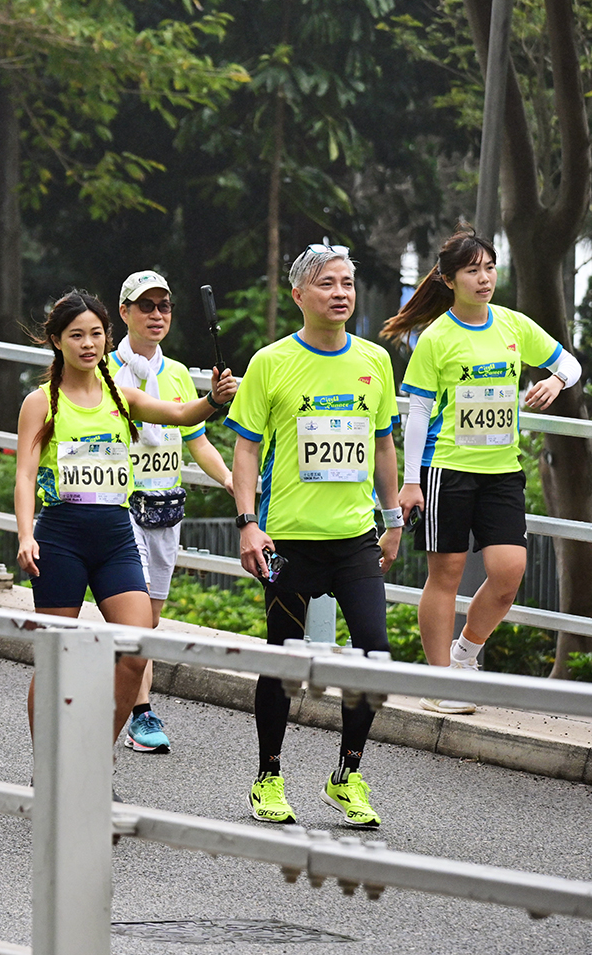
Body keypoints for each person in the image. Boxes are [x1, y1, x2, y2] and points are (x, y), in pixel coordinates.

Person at [13, 290, 235, 770]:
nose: (88, 344)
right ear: (56, 341)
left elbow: (180, 415)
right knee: (56, 658)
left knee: (138, 647)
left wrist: (213, 400)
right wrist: (26, 535)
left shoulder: (121, 395)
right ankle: (48, 768)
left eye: (96, 334)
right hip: (61, 534)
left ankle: (93, 759)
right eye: (76, 335)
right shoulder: (40, 402)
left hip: (115, 534)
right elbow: (26, 475)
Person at [226, 245, 400, 828]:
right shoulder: (270, 363)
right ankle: (268, 778)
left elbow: (382, 444)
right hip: (289, 540)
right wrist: (248, 522)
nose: (341, 293)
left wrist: (393, 517)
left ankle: (346, 777)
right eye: (328, 284)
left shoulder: (375, 359)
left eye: (348, 283)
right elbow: (246, 448)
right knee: (283, 658)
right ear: (299, 295)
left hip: (354, 539)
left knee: (375, 655)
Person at [381, 223, 580, 714]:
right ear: (449, 280)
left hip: (502, 470)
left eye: (489, 268)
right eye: (472, 271)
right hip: (445, 469)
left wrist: (554, 383)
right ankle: (439, 682)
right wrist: (410, 481)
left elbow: (570, 364)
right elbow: (419, 413)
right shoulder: (436, 338)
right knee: (445, 574)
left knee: (509, 572)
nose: (484, 278)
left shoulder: (513, 325)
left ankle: (465, 655)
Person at [109, 271, 236, 754]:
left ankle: (119, 692)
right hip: (122, 507)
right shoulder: (104, 369)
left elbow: (196, 440)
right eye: (146, 306)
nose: (157, 315)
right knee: (137, 618)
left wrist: (227, 479)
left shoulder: (179, 372)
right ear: (124, 312)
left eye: (164, 306)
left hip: (167, 508)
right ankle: (141, 712)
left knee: (151, 620)